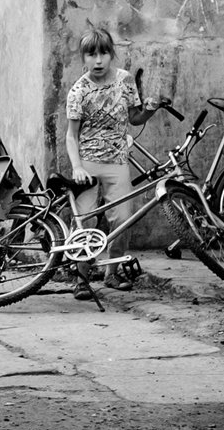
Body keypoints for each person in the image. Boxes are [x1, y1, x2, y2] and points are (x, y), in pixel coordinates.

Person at [65, 27, 162, 299]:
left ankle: (113, 271)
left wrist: (150, 111)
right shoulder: (78, 91)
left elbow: (134, 118)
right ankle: (81, 278)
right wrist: (77, 167)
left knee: (123, 219)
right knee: (84, 222)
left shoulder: (125, 81)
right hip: (87, 164)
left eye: (103, 53)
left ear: (111, 55)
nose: (98, 60)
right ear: (83, 59)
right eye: (91, 54)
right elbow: (71, 136)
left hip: (118, 162)